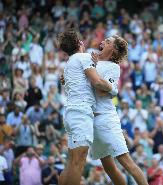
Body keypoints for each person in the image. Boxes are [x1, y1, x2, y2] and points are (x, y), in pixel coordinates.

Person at [57, 29, 115, 185]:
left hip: (71, 114)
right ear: (79, 44)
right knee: (78, 162)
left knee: (72, 163)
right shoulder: (83, 57)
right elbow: (97, 82)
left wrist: (93, 64)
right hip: (81, 114)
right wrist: (113, 88)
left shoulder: (70, 62)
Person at [90, 35, 148, 185]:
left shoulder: (113, 67)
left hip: (106, 119)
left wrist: (93, 70)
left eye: (108, 41)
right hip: (92, 120)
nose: (103, 41)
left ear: (114, 50)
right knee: (108, 167)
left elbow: (103, 90)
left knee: (126, 161)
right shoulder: (90, 61)